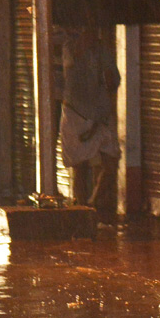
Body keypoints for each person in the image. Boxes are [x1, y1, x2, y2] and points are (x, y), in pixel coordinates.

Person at [60, 26, 121, 221]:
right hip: (77, 113)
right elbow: (70, 74)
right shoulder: (70, 47)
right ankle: (81, 210)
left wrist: (109, 78)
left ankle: (92, 203)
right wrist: (81, 50)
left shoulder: (102, 50)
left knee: (111, 162)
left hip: (100, 113)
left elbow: (114, 79)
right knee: (81, 166)